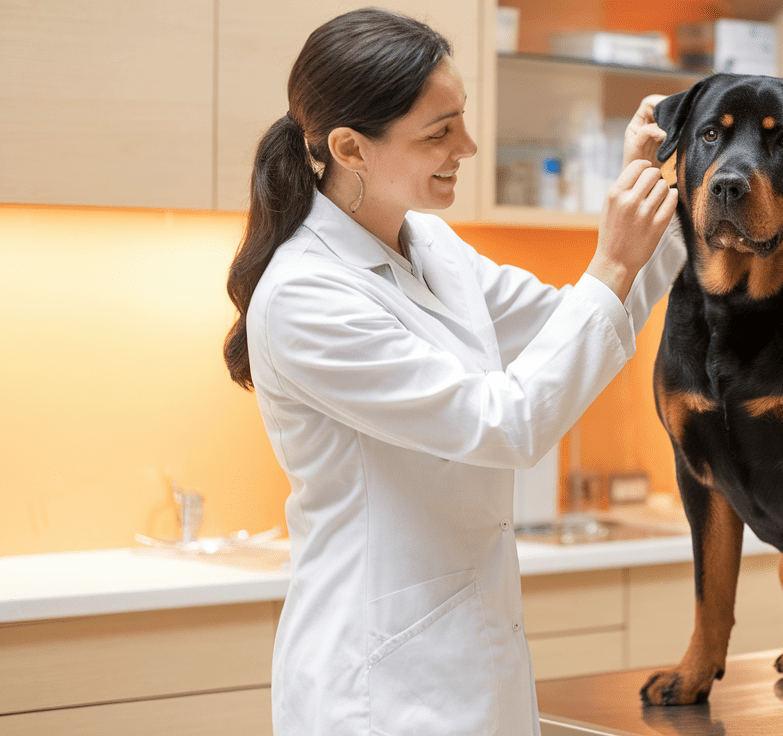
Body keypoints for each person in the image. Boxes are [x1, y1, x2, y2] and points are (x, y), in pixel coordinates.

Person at [221, 8, 683, 735]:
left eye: (460, 120)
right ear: (350, 147)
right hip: (378, 684)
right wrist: (613, 258)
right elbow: (506, 424)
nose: (466, 146)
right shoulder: (307, 296)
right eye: (438, 132)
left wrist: (655, 196)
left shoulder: (430, 243)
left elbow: (572, 318)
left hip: (468, 659)